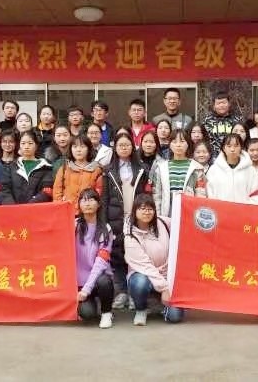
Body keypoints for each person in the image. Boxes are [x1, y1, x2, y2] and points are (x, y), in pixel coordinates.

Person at [102, 133, 149, 310]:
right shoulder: (108, 170)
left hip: (136, 217)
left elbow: (146, 194)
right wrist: (104, 222)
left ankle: (134, 293)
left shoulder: (142, 168)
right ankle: (121, 291)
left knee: (136, 255)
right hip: (116, 218)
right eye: (120, 145)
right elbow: (104, 198)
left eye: (127, 145)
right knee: (117, 255)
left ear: (133, 147)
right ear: (115, 148)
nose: (124, 148)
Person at [125, 194, 184, 325]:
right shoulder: (130, 237)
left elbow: (182, 224)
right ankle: (141, 309)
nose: (147, 212)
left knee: (175, 316)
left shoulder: (163, 222)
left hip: (167, 276)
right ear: (135, 211)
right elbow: (145, 267)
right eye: (142, 208)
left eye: (150, 209)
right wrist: (164, 288)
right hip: (144, 275)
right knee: (140, 283)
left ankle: (162, 307)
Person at [74, 188, 115, 329]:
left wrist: (86, 289)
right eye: (83, 200)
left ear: (98, 204)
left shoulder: (106, 229)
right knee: (87, 314)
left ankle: (106, 312)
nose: (87, 203)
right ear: (79, 205)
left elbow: (101, 262)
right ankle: (90, 305)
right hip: (78, 282)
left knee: (105, 282)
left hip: (97, 279)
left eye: (91, 200)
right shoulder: (73, 226)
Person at [150, 129, 207, 217]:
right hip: (166, 214)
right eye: (174, 142)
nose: (178, 145)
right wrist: (158, 217)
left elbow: (201, 195)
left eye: (182, 141)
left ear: (188, 144)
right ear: (170, 144)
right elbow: (157, 196)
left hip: (189, 214)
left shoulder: (197, 168)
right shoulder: (161, 168)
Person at [206, 133, 258, 204]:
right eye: (229, 146)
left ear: (241, 148)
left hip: (243, 209)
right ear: (223, 148)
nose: (232, 149)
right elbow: (209, 193)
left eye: (236, 146)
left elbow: (255, 194)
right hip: (220, 209)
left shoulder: (250, 170)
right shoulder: (214, 170)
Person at [1, 130, 53, 204]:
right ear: (19, 145)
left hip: (36, 208)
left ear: (36, 146)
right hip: (14, 209)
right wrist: (13, 207)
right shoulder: (11, 167)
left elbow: (47, 191)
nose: (26, 146)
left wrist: (28, 207)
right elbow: (4, 190)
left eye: (30, 143)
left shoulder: (46, 166)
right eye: (23, 143)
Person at [53, 134, 103, 211]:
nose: (78, 150)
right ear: (70, 149)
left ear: (89, 149)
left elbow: (99, 193)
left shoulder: (97, 170)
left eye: (82, 147)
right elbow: (57, 192)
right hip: (67, 211)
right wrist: (60, 207)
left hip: (88, 212)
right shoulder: (64, 169)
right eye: (75, 147)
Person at [203, 92, 243, 156]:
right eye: (218, 103)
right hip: (213, 156)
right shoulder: (207, 120)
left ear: (229, 104)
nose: (221, 105)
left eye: (224, 103)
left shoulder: (237, 119)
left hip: (233, 154)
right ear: (214, 106)